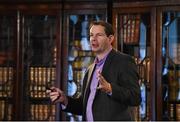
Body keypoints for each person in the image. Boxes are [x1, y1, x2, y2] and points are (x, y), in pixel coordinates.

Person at [47, 20, 141, 121]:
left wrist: (110, 88)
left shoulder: (124, 61)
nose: (93, 39)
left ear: (110, 39)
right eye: (91, 35)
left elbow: (135, 97)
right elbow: (84, 106)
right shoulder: (90, 69)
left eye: (99, 35)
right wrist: (65, 100)